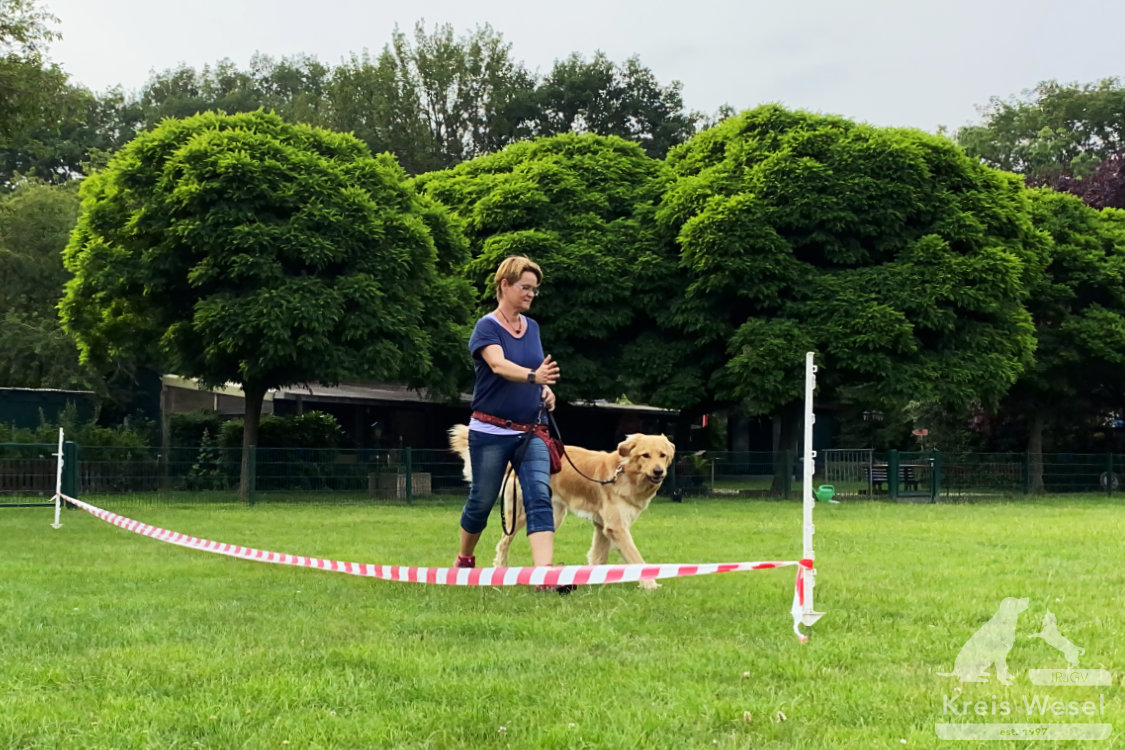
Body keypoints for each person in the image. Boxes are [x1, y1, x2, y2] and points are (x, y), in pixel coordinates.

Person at [454, 255, 561, 586]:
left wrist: (544, 390)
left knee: (539, 496)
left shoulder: (533, 328)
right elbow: (499, 365)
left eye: (534, 289)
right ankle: (465, 559)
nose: (530, 294)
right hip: (489, 431)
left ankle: (544, 574)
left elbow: (534, 368)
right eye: (525, 287)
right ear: (504, 285)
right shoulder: (486, 327)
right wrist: (534, 377)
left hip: (531, 432)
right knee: (482, 501)